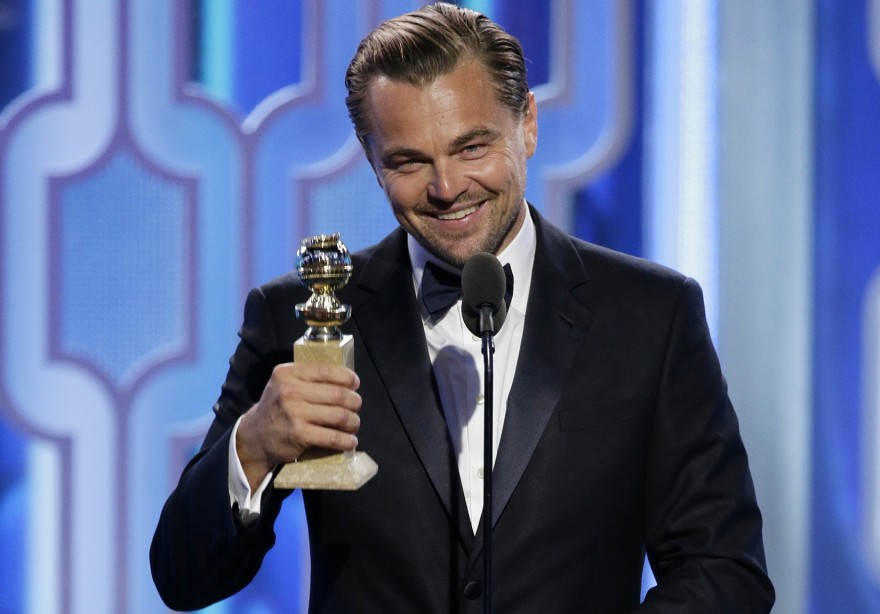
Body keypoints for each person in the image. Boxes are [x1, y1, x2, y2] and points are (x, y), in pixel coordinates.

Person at [150, 3, 774, 612]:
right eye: (408, 161)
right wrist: (254, 446)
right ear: (371, 160)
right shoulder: (301, 316)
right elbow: (183, 578)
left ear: (527, 126)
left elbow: (724, 573)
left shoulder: (651, 316)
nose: (447, 188)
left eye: (472, 148)